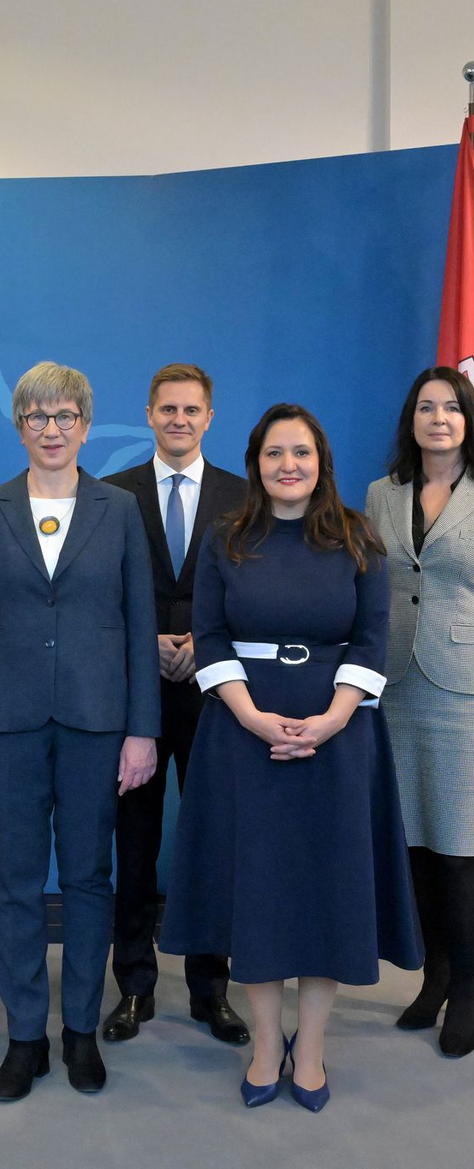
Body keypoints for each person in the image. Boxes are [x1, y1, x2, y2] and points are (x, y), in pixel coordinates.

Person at [160, 403, 421, 1112]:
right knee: (262, 893)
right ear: (256, 463)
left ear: (320, 461)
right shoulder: (227, 538)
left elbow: (370, 642)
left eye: (301, 453)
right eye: (275, 453)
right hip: (244, 738)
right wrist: (252, 716)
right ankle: (267, 1042)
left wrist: (331, 720)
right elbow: (209, 639)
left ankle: (310, 1048)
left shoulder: (358, 539)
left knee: (324, 895)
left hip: (338, 742)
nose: (288, 466)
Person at [0, 362, 160, 1100]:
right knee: (15, 885)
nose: (51, 429)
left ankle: (78, 1032)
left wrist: (143, 730)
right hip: (5, 725)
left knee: (88, 880)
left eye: (65, 415)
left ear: (86, 424)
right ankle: (24, 1037)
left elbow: (139, 625)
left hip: (98, 723)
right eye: (37, 417)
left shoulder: (120, 509)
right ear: (19, 426)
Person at [103, 363, 249, 1045]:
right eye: (168, 409)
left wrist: (204, 642)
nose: (180, 420)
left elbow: (255, 595)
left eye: (192, 409)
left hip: (218, 693)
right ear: (149, 413)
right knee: (133, 844)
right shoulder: (111, 494)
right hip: (134, 694)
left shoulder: (241, 496)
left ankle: (211, 987)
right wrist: (146, 641)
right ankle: (133, 985)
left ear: (210, 417)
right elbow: (96, 597)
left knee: (213, 840)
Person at [366, 366, 474, 1058]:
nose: (439, 417)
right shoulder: (382, 492)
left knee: (460, 849)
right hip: (392, 685)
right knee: (413, 847)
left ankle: (467, 988)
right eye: (427, 407)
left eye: (452, 407)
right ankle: (433, 976)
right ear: (411, 418)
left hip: (463, 687)